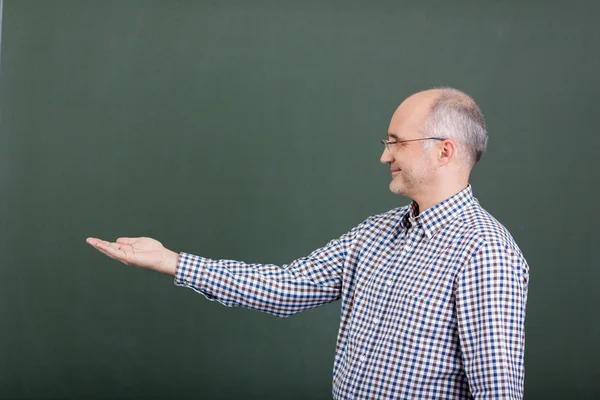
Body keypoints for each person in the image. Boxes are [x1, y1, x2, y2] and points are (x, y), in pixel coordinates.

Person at [87, 87, 529, 399]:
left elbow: (497, 391)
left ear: (445, 151)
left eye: (396, 142)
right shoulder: (375, 233)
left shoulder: (484, 251)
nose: (384, 155)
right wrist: (171, 261)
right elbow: (286, 287)